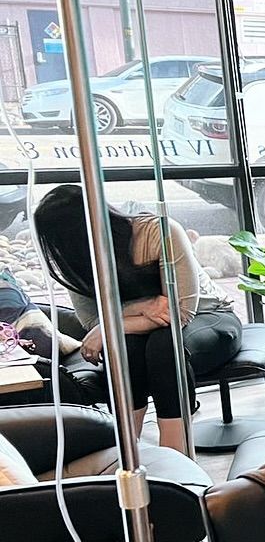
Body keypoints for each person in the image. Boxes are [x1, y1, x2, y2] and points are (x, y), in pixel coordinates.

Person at [33, 184, 241, 452]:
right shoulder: (77, 263)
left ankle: (177, 458)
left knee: (164, 347)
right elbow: (90, 319)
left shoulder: (158, 232)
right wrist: (144, 306)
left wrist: (112, 326)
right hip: (152, 331)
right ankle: (128, 453)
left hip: (209, 316)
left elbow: (181, 312)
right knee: (126, 348)